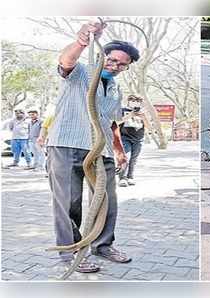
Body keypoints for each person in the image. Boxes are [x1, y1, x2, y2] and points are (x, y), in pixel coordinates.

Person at [46, 21, 140, 273]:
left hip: (102, 151)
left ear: (127, 66)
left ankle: (103, 244)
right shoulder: (82, 72)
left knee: (106, 200)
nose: (115, 65)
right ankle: (71, 252)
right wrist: (81, 41)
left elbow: (109, 121)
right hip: (68, 145)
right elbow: (65, 61)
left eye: (122, 63)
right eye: (112, 60)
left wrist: (119, 150)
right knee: (69, 201)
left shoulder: (116, 88)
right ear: (102, 56)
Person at [117, 95, 149, 187]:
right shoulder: (123, 110)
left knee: (133, 159)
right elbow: (117, 122)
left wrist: (143, 117)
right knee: (125, 157)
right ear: (128, 101)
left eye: (137, 101)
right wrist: (130, 115)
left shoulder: (142, 112)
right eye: (132, 100)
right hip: (125, 137)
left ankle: (130, 177)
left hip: (138, 139)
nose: (135, 102)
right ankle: (122, 178)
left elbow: (149, 127)